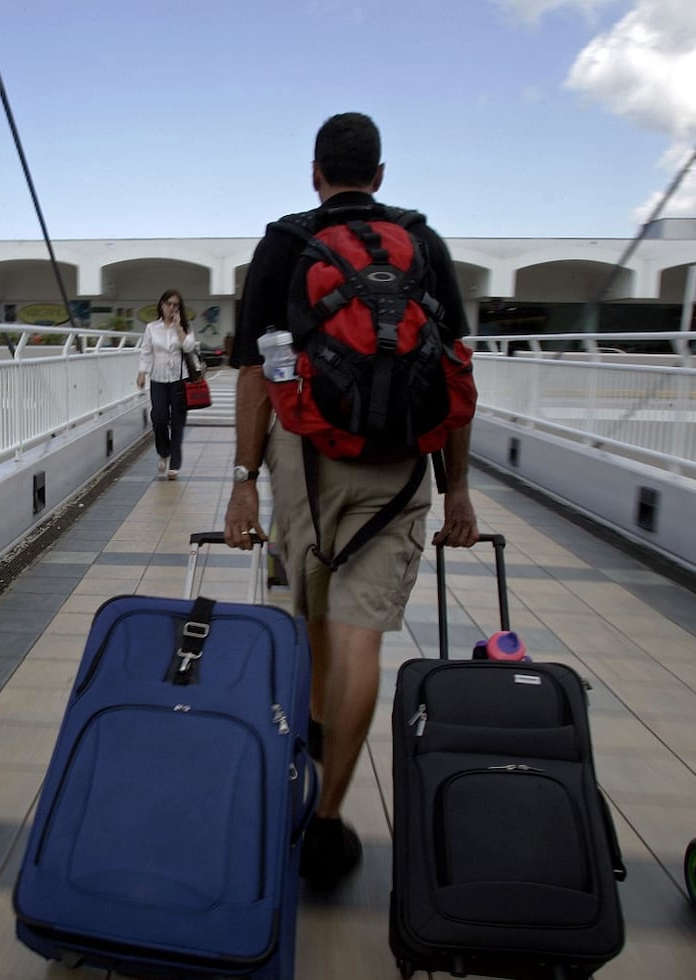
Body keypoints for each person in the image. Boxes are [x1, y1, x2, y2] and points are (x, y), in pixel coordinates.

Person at [223, 112, 480, 886]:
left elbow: (254, 374)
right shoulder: (422, 241)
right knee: (362, 637)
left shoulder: (284, 242)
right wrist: (457, 490)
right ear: (380, 173)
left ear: (315, 173)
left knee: (312, 612)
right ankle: (329, 821)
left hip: (305, 460)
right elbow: (455, 367)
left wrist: (243, 484)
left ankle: (309, 734)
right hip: (399, 469)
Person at [137, 289, 198, 480]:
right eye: (168, 304)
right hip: (158, 379)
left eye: (175, 305)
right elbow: (146, 351)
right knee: (159, 418)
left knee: (178, 423)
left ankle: (175, 464)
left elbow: (189, 346)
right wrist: (142, 372)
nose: (171, 308)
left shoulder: (185, 326)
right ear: (161, 305)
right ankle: (164, 451)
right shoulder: (151, 328)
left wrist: (179, 328)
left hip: (180, 379)